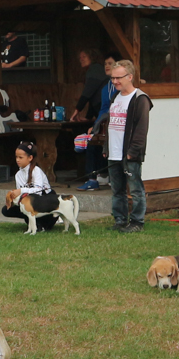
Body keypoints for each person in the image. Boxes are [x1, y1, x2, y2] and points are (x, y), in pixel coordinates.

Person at [94, 59, 152, 232]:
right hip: (113, 152)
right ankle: (119, 220)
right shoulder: (115, 97)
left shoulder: (140, 99)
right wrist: (106, 147)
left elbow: (141, 129)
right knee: (117, 189)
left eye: (118, 78)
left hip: (129, 153)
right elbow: (110, 125)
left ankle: (137, 222)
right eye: (113, 78)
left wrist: (133, 151)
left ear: (130, 76)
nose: (115, 81)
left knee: (135, 189)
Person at [76, 53, 116, 190]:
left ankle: (110, 175)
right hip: (105, 124)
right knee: (92, 142)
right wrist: (95, 126)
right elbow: (103, 109)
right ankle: (93, 179)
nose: (107, 66)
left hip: (118, 125)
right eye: (105, 64)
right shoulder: (106, 88)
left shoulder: (121, 86)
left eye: (110, 63)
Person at [1, 141, 58, 232]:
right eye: (16, 157)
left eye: (20, 157)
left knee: (35, 205)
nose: (17, 160)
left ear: (30, 158)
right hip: (30, 201)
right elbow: (22, 196)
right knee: (6, 210)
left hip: (45, 200)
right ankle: (34, 224)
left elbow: (39, 191)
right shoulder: (18, 175)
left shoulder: (36, 170)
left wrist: (21, 190)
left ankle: (46, 221)